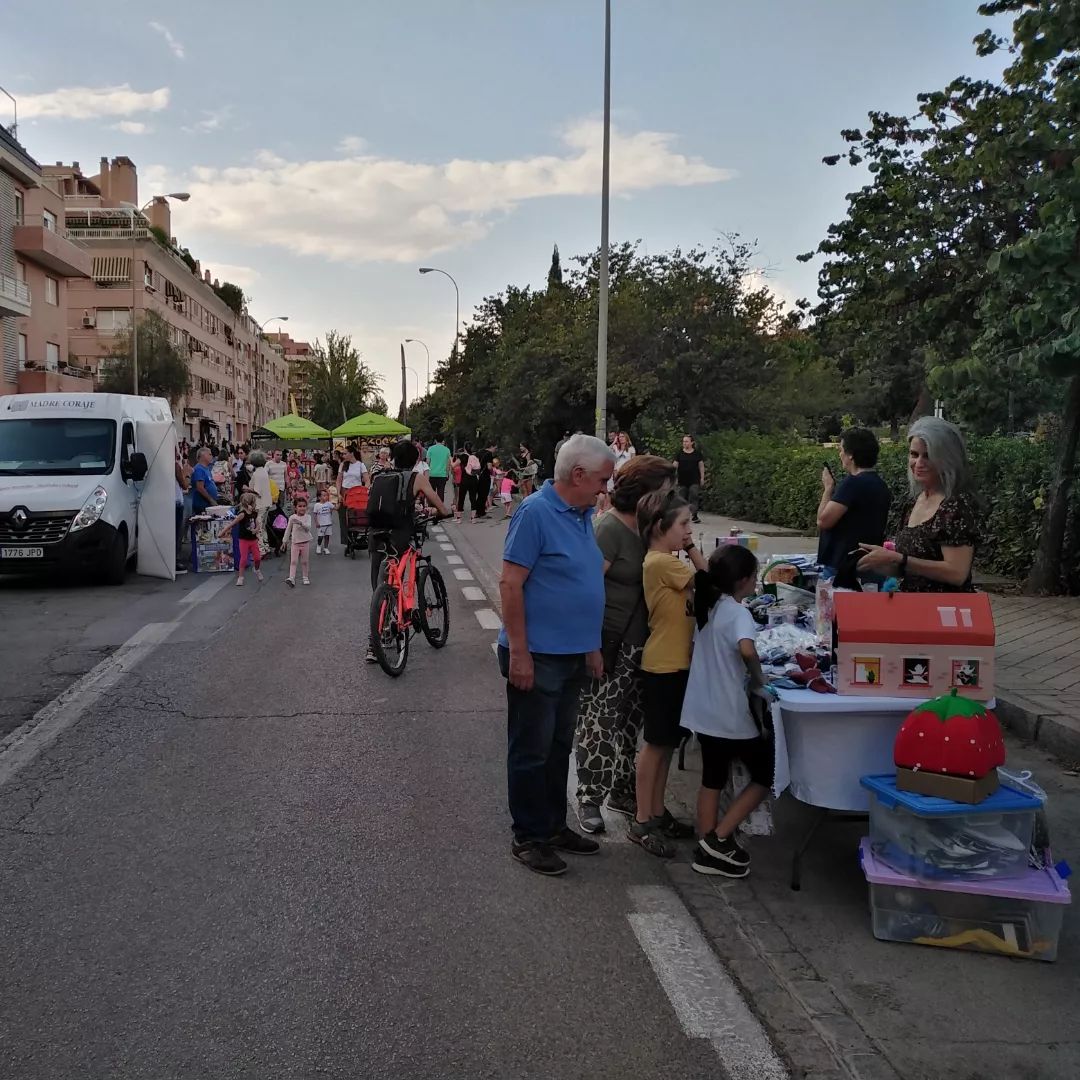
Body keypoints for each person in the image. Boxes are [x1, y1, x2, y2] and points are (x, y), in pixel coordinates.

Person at [497, 434, 615, 876]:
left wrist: (591, 647)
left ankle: (552, 825)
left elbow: (580, 581)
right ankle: (529, 836)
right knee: (531, 749)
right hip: (539, 657)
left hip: (571, 655)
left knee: (558, 747)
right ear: (578, 475)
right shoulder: (535, 513)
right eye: (602, 480)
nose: (606, 489)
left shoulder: (582, 513)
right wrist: (520, 653)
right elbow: (510, 584)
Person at [574, 456, 678, 834]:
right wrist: (591, 647)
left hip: (645, 645)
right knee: (599, 722)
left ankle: (622, 790)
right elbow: (587, 592)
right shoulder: (609, 531)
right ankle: (589, 798)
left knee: (631, 725)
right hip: (611, 643)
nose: (669, 499)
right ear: (643, 492)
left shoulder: (648, 530)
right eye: (665, 492)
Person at [681, 545, 771, 878]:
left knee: (712, 776)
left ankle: (705, 845)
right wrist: (760, 677)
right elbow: (747, 648)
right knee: (765, 775)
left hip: (702, 710)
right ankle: (719, 837)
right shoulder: (738, 613)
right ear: (745, 581)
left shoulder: (708, 607)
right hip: (729, 714)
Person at [629, 490, 705, 858]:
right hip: (663, 665)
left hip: (676, 663)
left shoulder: (664, 560)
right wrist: (692, 549)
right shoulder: (661, 562)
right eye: (683, 525)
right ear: (661, 527)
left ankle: (657, 812)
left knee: (666, 744)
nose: (688, 531)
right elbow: (710, 582)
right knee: (655, 745)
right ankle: (642, 818)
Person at [857, 417, 980, 592]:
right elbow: (908, 568)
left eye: (928, 456)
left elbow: (957, 573)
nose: (919, 463)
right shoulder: (913, 502)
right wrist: (878, 562)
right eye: (914, 454)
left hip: (945, 613)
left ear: (947, 459)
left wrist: (900, 559)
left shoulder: (956, 505)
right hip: (913, 610)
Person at [366, 440, 454, 661]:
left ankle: (376, 638)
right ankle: (395, 620)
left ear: (393, 458)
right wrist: (444, 512)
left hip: (376, 533)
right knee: (398, 576)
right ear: (416, 459)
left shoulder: (381, 476)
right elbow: (439, 505)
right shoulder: (417, 478)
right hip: (399, 533)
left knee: (380, 581)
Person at [817, 428, 893, 575]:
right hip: (869, 562)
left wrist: (828, 488)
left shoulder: (852, 484)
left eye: (841, 450)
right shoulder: (881, 485)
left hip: (843, 564)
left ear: (851, 455)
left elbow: (823, 521)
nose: (840, 454)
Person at [219, 491, 265, 587]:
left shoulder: (254, 513)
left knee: (257, 558)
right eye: (254, 502)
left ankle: (257, 569)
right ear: (251, 503)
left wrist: (256, 529)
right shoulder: (242, 514)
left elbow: (258, 524)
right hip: (243, 540)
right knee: (243, 558)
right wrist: (223, 532)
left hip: (253, 539)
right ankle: (240, 577)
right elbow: (232, 523)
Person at [337, 446, 368, 548]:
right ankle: (347, 539)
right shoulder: (343, 465)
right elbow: (339, 480)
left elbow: (367, 480)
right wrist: (338, 493)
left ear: (352, 453)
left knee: (356, 515)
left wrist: (364, 491)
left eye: (345, 453)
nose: (343, 456)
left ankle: (356, 535)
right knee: (344, 516)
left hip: (357, 492)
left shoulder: (360, 465)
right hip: (345, 491)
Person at [673, 435, 705, 524]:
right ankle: (681, 515)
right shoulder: (679, 453)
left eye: (686, 441)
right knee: (681, 498)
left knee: (694, 495)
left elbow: (701, 466)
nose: (684, 443)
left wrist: (702, 478)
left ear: (692, 442)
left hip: (694, 479)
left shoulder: (697, 454)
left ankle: (694, 515)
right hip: (682, 480)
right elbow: (674, 466)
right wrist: (673, 477)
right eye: (683, 441)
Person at [247, 450, 274, 556]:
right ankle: (266, 547)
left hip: (260, 503)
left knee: (258, 527)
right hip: (267, 502)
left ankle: (261, 550)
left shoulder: (257, 474)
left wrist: (247, 489)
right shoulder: (264, 471)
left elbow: (257, 491)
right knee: (263, 527)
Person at [283, 494, 313, 587]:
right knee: (293, 561)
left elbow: (308, 528)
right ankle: (291, 578)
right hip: (295, 543)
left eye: (304, 506)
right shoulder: (292, 517)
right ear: (295, 507)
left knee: (304, 561)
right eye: (300, 506)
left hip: (305, 542)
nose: (302, 508)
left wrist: (301, 523)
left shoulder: (308, 517)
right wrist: (284, 541)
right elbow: (288, 529)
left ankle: (305, 577)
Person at [191, 447, 219, 514]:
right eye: (210, 454)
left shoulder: (206, 469)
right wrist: (211, 500)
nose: (211, 456)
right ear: (203, 456)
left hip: (207, 505)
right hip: (202, 505)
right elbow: (200, 487)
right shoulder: (199, 469)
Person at [174, 456, 189, 575]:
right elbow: (184, 484)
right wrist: (185, 473)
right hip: (176, 502)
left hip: (168, 501)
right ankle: (176, 560)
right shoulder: (175, 466)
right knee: (177, 532)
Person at [427, 435, 452, 502]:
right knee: (441, 493)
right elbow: (448, 463)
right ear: (443, 440)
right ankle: (440, 509)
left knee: (431, 493)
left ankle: (431, 509)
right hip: (442, 475)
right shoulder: (447, 450)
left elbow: (428, 462)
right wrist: (447, 474)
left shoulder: (430, 449)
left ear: (435, 440)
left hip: (432, 474)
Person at [313, 486, 335, 554]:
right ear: (319, 497)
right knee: (320, 536)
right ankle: (319, 546)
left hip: (328, 523)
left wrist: (339, 501)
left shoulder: (329, 503)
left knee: (327, 536)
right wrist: (316, 522)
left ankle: (326, 548)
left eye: (326, 495)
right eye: (324, 495)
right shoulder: (317, 505)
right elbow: (315, 514)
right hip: (321, 524)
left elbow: (336, 508)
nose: (326, 497)